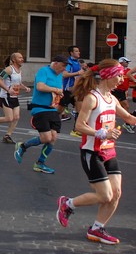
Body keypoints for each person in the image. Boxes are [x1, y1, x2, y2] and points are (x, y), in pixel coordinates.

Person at [56, 59, 136, 245]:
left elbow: (129, 118)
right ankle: (67, 204)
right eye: (119, 75)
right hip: (92, 153)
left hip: (109, 152)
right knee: (104, 196)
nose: (122, 79)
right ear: (108, 76)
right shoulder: (93, 98)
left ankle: (97, 229)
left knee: (116, 193)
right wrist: (100, 132)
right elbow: (79, 126)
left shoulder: (112, 98)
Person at [14, 55, 68, 174]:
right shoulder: (44, 71)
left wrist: (60, 96)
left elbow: (59, 90)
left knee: (53, 138)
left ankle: (40, 163)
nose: (64, 69)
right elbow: (40, 86)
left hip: (53, 110)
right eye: (63, 66)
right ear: (55, 63)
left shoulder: (60, 76)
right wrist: (55, 90)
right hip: (40, 109)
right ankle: (23, 146)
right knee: (46, 138)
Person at [0, 53, 31, 143]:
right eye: (20, 58)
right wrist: (8, 89)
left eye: (22, 57)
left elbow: (18, 83)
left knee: (16, 117)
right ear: (14, 60)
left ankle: (7, 136)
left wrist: (25, 87)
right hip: (6, 96)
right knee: (9, 118)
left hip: (14, 96)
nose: (22, 59)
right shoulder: (8, 70)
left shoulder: (19, 70)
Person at [62, 46, 84, 136]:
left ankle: (76, 130)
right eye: (76, 51)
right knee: (58, 111)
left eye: (78, 51)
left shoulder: (77, 62)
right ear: (71, 53)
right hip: (66, 89)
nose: (79, 52)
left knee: (80, 108)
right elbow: (64, 74)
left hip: (74, 90)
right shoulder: (69, 63)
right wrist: (78, 73)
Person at [111, 57, 135, 133]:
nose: (128, 63)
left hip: (122, 91)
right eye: (126, 62)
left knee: (118, 107)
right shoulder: (116, 69)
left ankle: (127, 122)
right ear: (122, 62)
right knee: (125, 106)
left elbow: (131, 80)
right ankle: (127, 123)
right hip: (116, 90)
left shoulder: (128, 71)